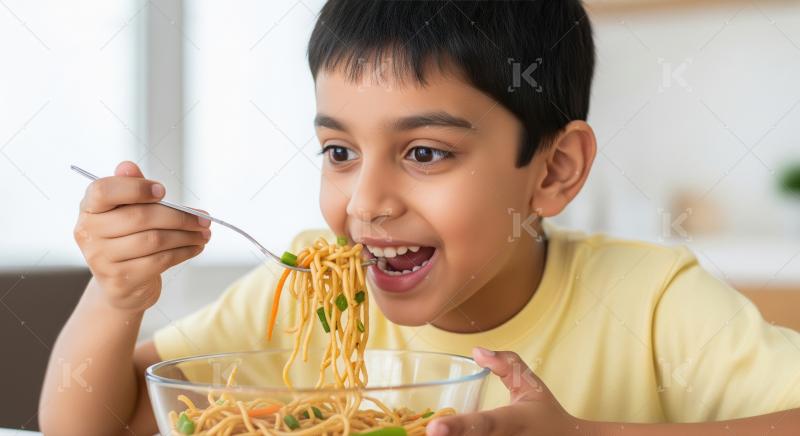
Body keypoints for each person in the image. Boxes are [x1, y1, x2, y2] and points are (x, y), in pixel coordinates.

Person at [40, 1, 800, 435]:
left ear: (554, 170)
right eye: (339, 151)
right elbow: (98, 422)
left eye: (425, 153)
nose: (365, 202)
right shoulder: (299, 290)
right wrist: (115, 297)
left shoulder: (651, 300)